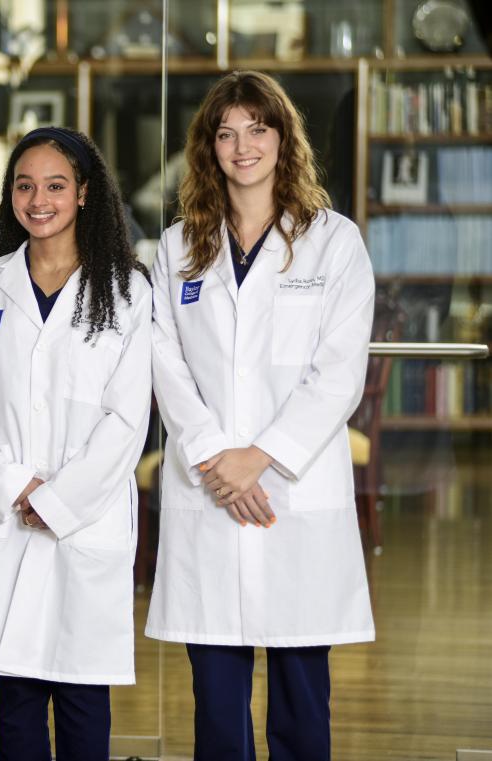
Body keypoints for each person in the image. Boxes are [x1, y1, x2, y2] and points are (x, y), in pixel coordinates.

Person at [144, 71, 375, 761]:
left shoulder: (334, 242)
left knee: (303, 694)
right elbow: (164, 361)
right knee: (215, 696)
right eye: (226, 133)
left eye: (257, 129)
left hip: (291, 488)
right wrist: (217, 453)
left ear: (283, 138)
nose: (242, 146)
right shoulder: (178, 246)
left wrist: (259, 456)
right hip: (210, 483)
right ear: (208, 148)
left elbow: (338, 373)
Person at [0, 126, 153, 761]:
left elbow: (127, 415)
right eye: (25, 186)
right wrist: (12, 486)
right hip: (7, 513)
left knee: (84, 700)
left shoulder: (127, 290)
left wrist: (59, 499)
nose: (39, 200)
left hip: (85, 520)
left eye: (56, 186)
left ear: (85, 193)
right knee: (16, 701)